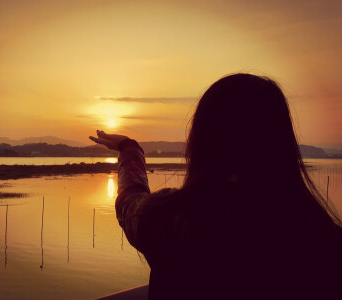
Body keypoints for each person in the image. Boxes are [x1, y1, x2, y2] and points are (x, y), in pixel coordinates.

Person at [90, 73, 342, 299]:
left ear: (202, 144)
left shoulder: (173, 221)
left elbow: (129, 202)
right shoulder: (322, 239)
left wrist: (129, 148)